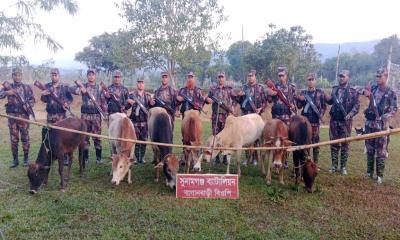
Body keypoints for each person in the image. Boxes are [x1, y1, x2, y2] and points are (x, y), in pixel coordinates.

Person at [361, 68, 397, 184]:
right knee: (370, 149)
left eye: (380, 76)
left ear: (386, 77)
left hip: (381, 126)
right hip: (370, 124)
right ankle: (369, 173)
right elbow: (362, 91)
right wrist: (365, 93)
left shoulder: (391, 92)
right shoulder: (374, 89)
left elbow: (394, 109)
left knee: (381, 151)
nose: (377, 78)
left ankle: (379, 176)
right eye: (376, 76)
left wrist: (384, 117)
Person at [326, 70, 360, 175]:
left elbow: (357, 106)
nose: (341, 78)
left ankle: (343, 167)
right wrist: (325, 97)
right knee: (334, 143)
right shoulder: (335, 89)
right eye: (340, 76)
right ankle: (334, 166)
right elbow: (330, 101)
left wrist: (349, 115)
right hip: (334, 120)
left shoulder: (353, 91)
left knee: (345, 144)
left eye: (343, 76)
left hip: (346, 122)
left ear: (348, 77)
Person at [0, 67, 35, 168]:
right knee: (14, 139)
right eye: (15, 75)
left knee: (25, 138)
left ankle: (26, 158)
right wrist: (7, 93)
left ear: (21, 76)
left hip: (23, 117)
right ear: (12, 76)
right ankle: (15, 160)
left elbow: (32, 99)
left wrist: (28, 105)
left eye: (19, 75)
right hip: (12, 117)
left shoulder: (26, 87)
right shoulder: (8, 87)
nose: (17, 77)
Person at [71, 69, 107, 164]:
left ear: (95, 76)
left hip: (96, 117)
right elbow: (71, 89)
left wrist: (105, 112)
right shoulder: (83, 86)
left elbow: (103, 101)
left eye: (93, 75)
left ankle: (99, 159)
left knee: (97, 137)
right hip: (85, 117)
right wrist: (79, 89)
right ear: (87, 76)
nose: (91, 76)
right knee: (85, 138)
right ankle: (85, 158)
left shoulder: (99, 88)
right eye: (89, 75)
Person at [40, 68, 74, 166]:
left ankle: (66, 157)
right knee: (50, 136)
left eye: (56, 75)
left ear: (59, 76)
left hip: (61, 116)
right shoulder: (46, 86)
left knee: (64, 137)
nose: (54, 76)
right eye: (52, 75)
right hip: (50, 116)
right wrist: (43, 94)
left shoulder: (64, 87)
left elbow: (70, 99)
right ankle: (52, 155)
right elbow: (44, 100)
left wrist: (67, 104)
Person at [236, 69, 267, 165]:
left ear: (255, 76)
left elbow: (265, 102)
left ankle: (255, 159)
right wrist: (239, 96)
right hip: (245, 116)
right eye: (249, 76)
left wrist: (260, 108)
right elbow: (239, 101)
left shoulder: (260, 88)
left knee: (256, 138)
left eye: (252, 76)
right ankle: (247, 158)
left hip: (256, 117)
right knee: (246, 137)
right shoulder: (244, 87)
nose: (250, 77)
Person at [205, 71, 237, 164]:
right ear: (217, 78)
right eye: (219, 77)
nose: (220, 79)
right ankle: (217, 157)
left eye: (222, 77)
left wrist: (232, 107)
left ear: (225, 78)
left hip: (226, 116)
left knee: (226, 137)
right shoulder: (213, 89)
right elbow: (207, 99)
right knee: (216, 136)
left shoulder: (229, 89)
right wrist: (208, 99)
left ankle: (225, 157)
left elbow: (235, 99)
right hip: (215, 115)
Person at [296, 73, 327, 164]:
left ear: (315, 81)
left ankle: (315, 163)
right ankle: (305, 162)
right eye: (309, 80)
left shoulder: (320, 93)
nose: (310, 81)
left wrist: (320, 115)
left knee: (316, 143)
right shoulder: (303, 93)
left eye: (312, 79)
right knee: (305, 142)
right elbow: (299, 107)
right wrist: (299, 99)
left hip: (315, 122)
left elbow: (324, 106)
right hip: (305, 123)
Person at [127, 78, 152, 164]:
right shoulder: (131, 95)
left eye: (142, 83)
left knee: (144, 140)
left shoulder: (148, 96)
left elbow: (151, 107)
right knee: (136, 141)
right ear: (137, 84)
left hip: (145, 123)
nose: (140, 84)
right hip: (135, 122)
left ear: (144, 84)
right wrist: (128, 101)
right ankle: (138, 158)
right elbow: (126, 106)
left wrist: (152, 103)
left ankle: (142, 157)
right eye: (139, 83)